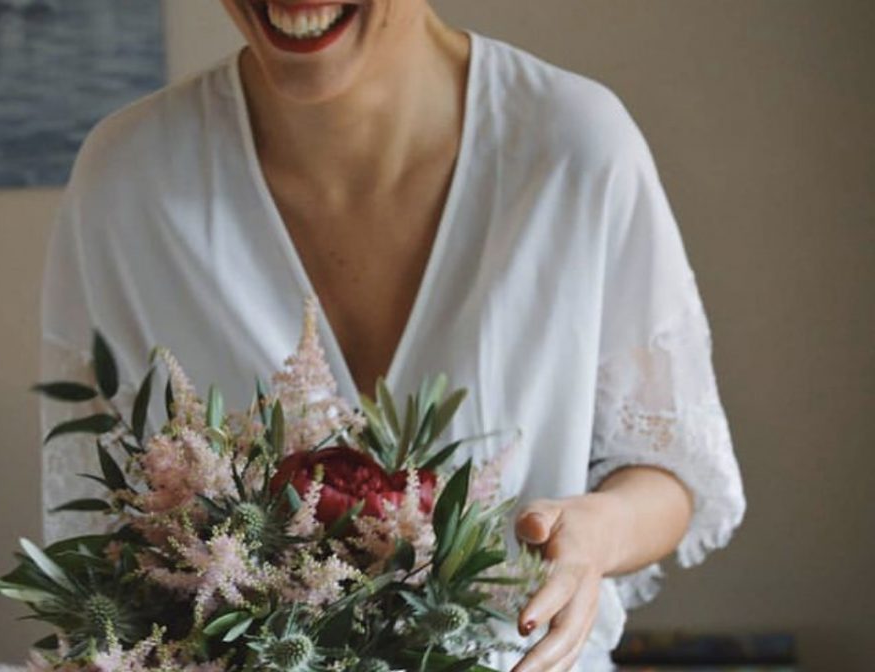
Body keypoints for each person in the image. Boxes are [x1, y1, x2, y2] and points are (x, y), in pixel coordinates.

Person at [39, 2, 746, 670]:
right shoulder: (128, 180)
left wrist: (590, 534)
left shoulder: (575, 146)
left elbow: (670, 468)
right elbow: (99, 544)